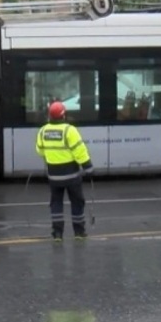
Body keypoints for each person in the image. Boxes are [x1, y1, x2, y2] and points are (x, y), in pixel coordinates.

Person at [35, 101, 94, 241]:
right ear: (64, 115)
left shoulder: (43, 131)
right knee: (77, 201)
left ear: (50, 115)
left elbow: (39, 151)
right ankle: (79, 233)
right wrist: (88, 167)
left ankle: (57, 234)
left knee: (56, 203)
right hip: (72, 175)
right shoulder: (69, 130)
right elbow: (80, 150)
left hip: (54, 176)